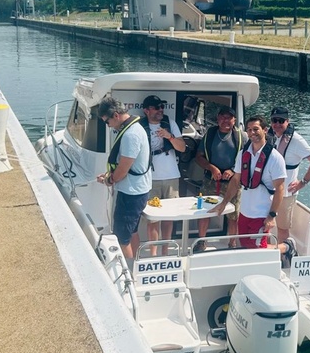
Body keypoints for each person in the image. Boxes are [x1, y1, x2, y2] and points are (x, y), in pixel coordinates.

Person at [210, 116, 296, 265]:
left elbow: (280, 189)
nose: (252, 133)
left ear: (265, 130)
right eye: (249, 130)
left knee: (257, 249)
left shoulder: (275, 158)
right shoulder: (243, 154)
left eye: (256, 129)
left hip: (261, 214)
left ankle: (286, 247)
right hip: (245, 211)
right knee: (245, 246)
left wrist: (271, 216)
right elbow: (236, 180)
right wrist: (224, 202)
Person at [96, 96, 152, 260]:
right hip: (136, 191)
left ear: (115, 115)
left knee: (122, 237)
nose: (107, 126)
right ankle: (136, 264)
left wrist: (107, 180)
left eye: (107, 122)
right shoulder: (134, 128)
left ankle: (128, 277)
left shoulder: (130, 135)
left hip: (131, 194)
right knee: (132, 231)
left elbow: (123, 170)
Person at [267, 106, 310, 244]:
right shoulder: (271, 136)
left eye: (281, 121)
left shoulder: (296, 140)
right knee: (265, 224)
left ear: (287, 121)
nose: (277, 124)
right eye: (274, 121)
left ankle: (283, 256)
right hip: (268, 191)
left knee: (282, 229)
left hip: (285, 194)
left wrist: (302, 183)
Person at [139, 94, 186, 255]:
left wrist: (169, 136)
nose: (160, 110)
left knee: (169, 216)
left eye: (162, 107)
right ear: (146, 110)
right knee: (153, 218)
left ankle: (165, 252)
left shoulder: (170, 124)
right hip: (149, 178)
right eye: (156, 107)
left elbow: (182, 148)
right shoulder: (139, 126)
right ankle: (153, 254)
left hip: (171, 176)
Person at [194, 106, 246, 249]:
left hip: (233, 182)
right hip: (211, 181)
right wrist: (211, 168)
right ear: (218, 119)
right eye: (223, 117)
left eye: (229, 117)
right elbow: (198, 157)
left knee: (233, 215)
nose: (226, 120)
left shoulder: (242, 137)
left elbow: (248, 160)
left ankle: (232, 243)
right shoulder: (209, 134)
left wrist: (233, 170)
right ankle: (201, 242)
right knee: (205, 212)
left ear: (234, 120)